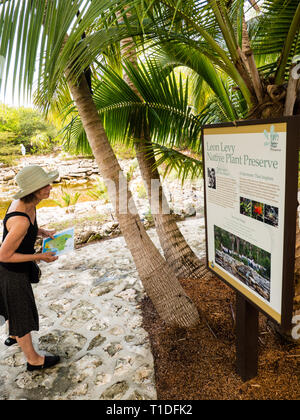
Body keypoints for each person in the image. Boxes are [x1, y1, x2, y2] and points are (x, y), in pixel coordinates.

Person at [0, 165, 60, 371]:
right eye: (44, 185)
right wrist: (40, 256)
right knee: (21, 312)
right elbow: (4, 254)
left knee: (12, 308)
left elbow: (26, 230)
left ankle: (13, 335)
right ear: (32, 190)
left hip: (12, 270)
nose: (49, 187)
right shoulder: (20, 220)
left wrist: (42, 231)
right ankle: (34, 360)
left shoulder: (28, 204)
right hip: (10, 272)